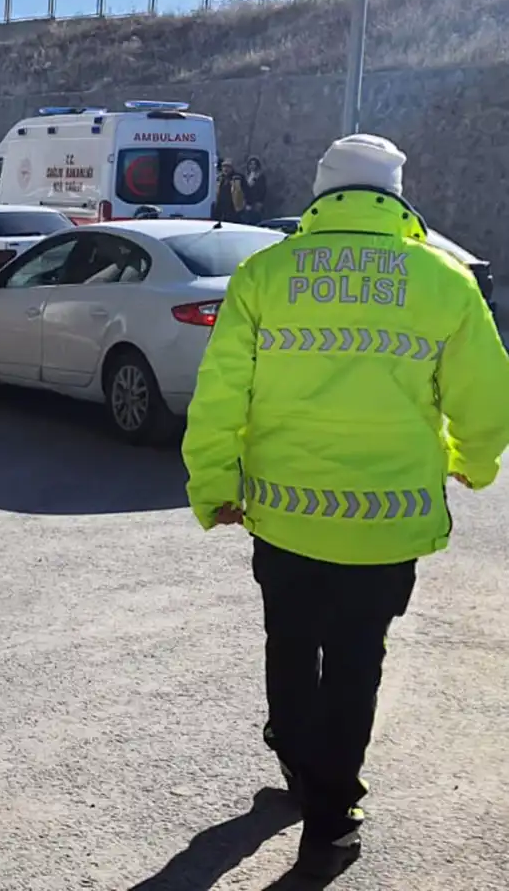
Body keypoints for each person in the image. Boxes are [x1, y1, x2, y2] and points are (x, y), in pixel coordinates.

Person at [181, 133, 509, 879]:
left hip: (284, 514)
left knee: (290, 644)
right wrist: (473, 464)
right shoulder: (444, 280)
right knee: (358, 660)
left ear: (322, 191)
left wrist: (215, 488)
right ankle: (331, 819)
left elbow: (220, 398)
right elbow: (488, 398)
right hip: (386, 524)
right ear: (396, 193)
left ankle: (300, 763)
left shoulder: (265, 273)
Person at [213, 158, 246, 222]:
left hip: (234, 207)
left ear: (232, 168)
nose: (226, 169)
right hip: (221, 208)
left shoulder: (238, 177)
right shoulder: (220, 178)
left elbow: (245, 191)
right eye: (224, 166)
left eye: (228, 167)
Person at [242, 155, 267, 224]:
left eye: (254, 164)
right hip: (247, 202)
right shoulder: (246, 176)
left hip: (257, 202)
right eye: (251, 164)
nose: (252, 166)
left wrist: (260, 201)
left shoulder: (260, 176)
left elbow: (263, 190)